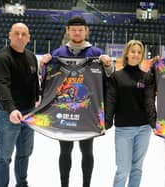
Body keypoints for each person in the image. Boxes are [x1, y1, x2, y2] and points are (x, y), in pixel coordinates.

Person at [39, 16, 113, 187]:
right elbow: (46, 80)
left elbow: (109, 77)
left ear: (86, 31)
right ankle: (64, 184)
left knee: (87, 151)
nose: (77, 32)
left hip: (87, 113)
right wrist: (43, 64)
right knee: (65, 151)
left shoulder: (96, 53)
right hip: (63, 110)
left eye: (80, 29)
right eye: (73, 29)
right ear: (67, 31)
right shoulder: (58, 54)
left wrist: (108, 65)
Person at [0, 23, 40, 187]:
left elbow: (35, 81)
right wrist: (11, 109)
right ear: (10, 35)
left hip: (28, 114)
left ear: (28, 38)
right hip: (8, 115)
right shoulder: (3, 57)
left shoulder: (31, 56)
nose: (20, 37)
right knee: (4, 156)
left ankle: (22, 183)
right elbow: (1, 85)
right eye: (17, 33)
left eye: (24, 34)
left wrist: (37, 99)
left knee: (25, 153)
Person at [105, 39, 157, 187]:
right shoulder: (116, 76)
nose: (136, 54)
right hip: (123, 129)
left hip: (143, 129)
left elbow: (149, 101)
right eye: (133, 51)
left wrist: (153, 123)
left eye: (139, 52)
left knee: (137, 168)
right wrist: (106, 123)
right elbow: (111, 101)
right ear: (127, 53)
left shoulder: (146, 77)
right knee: (122, 169)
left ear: (142, 56)